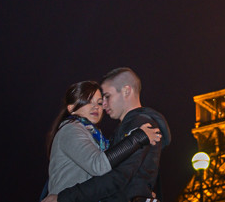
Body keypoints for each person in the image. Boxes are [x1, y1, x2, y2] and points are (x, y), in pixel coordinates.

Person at [46, 67, 171, 202]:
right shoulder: (72, 130)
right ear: (71, 108)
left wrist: (141, 193)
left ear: (126, 91)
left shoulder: (140, 124)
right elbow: (101, 166)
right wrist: (137, 138)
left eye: (104, 98)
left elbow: (119, 177)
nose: (101, 106)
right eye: (88, 102)